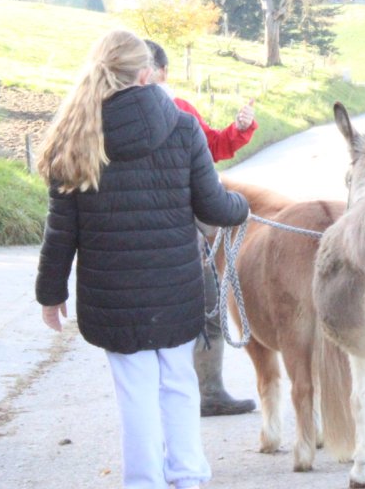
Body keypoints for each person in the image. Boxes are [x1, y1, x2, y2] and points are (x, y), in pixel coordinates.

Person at [35, 29, 248, 489]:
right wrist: (242, 206)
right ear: (146, 73)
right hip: (176, 288)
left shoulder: (74, 138)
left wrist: (50, 294)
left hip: (112, 296)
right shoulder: (183, 127)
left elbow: (61, 232)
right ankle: (187, 476)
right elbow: (214, 207)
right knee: (179, 381)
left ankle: (144, 481)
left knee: (135, 393)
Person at [143, 39, 257, 416]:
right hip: (181, 233)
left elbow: (214, 147)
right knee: (204, 306)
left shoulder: (103, 111)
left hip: (147, 235)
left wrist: (239, 129)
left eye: (148, 67)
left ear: (162, 72)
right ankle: (200, 393)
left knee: (198, 308)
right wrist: (234, 207)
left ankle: (198, 393)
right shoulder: (177, 111)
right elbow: (208, 165)